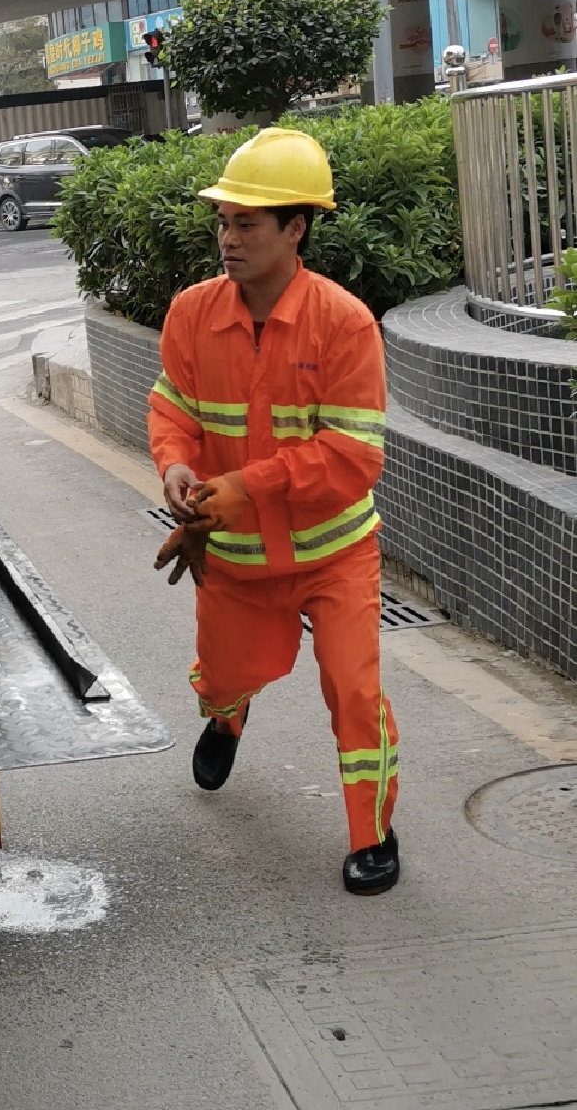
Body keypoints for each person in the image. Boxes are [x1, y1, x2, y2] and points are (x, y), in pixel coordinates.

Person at [147, 127, 398, 895]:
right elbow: (171, 410)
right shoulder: (191, 314)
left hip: (333, 556)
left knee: (353, 692)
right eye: (222, 221)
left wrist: (246, 487)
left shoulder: (344, 323)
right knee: (224, 675)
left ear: (295, 228)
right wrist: (177, 465)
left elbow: (354, 459)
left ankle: (373, 833)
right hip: (234, 561)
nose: (227, 237)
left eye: (245, 223)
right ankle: (225, 714)